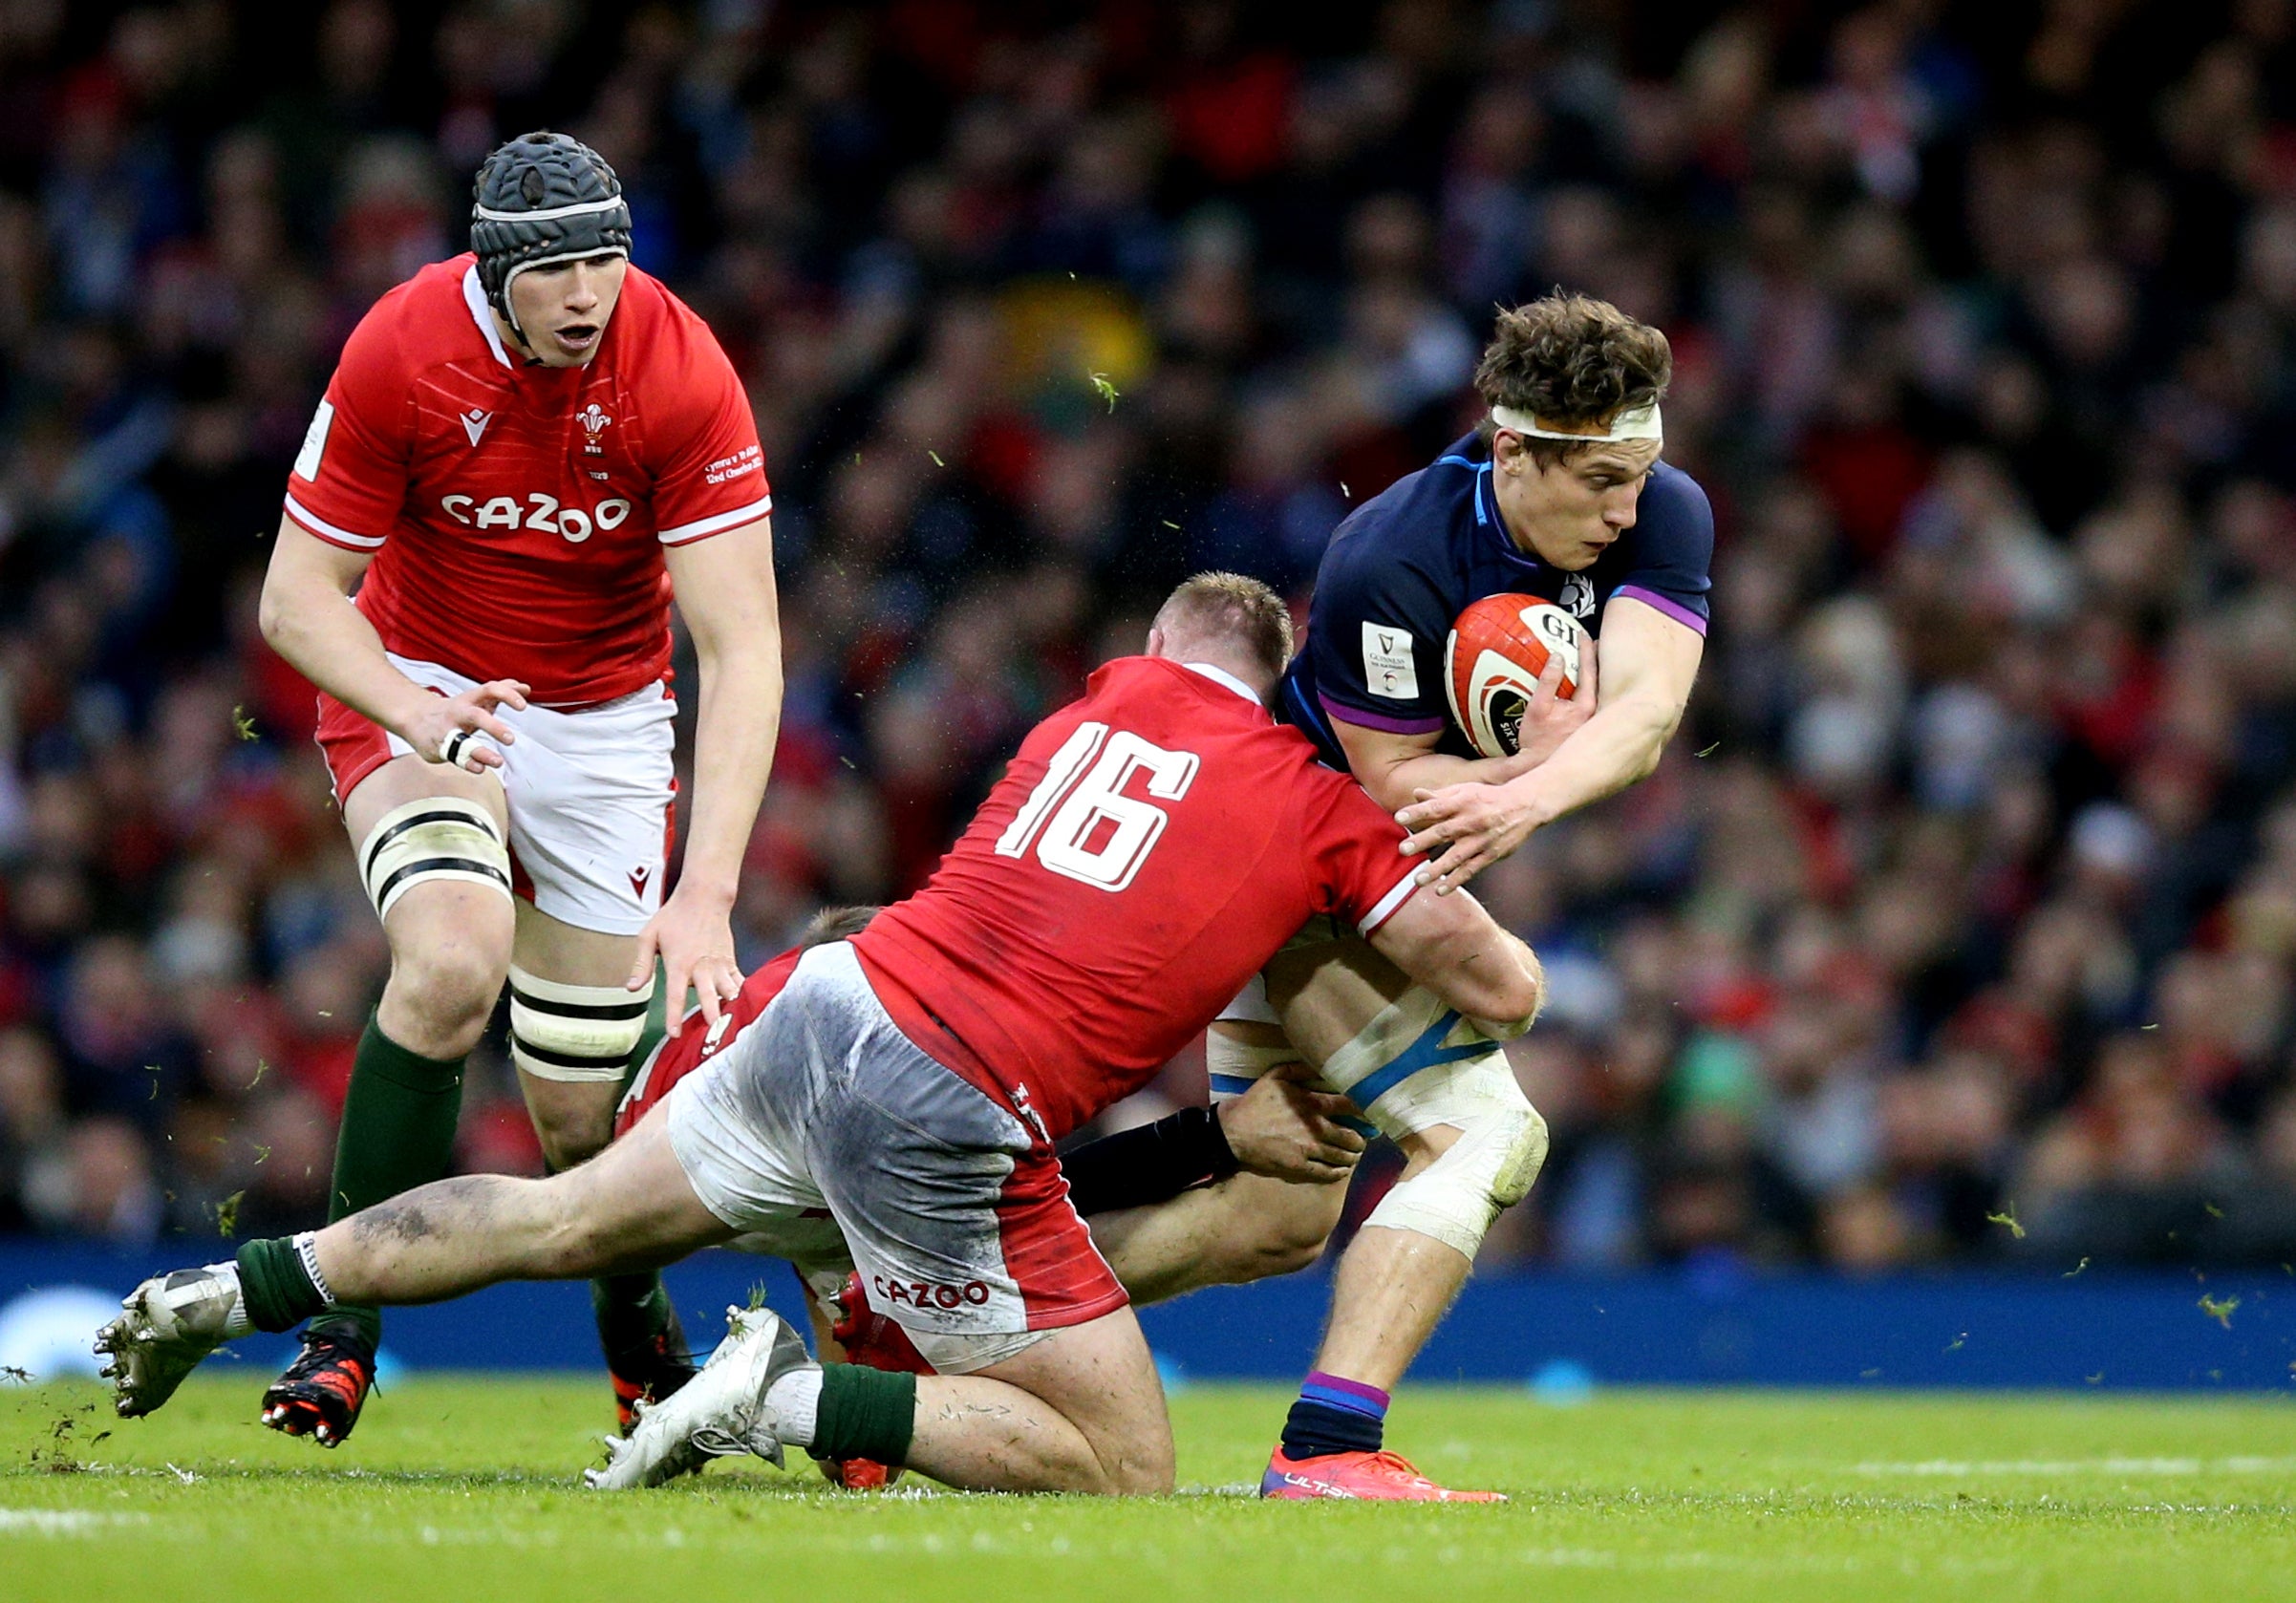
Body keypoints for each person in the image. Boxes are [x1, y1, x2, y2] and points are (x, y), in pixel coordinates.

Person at [97, 574, 1544, 1498]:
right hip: (948, 1099)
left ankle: (226, 1291)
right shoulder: (1307, 801)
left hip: (828, 998)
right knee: (1119, 1463)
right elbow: (1500, 990)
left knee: (556, 1216)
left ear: (1155, 650)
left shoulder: (1104, 696)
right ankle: (779, 1393)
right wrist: (1485, 806)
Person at [253, 131, 781, 1443]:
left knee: (577, 1109)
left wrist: (707, 890)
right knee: (448, 963)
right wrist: (412, 708)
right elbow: (293, 600)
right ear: (494, 271)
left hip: (603, 721)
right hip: (420, 679)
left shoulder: (679, 366)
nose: (587, 293)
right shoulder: (402, 346)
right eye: (554, 270)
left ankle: (631, 1325)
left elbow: (742, 644)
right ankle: (342, 1327)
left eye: (605, 258)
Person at [1160, 293, 1714, 1497]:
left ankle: (940, 1292)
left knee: (1274, 1216)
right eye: (1601, 482)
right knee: (1489, 1129)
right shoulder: (1390, 559)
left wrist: (1529, 792)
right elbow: (1394, 791)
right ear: (1514, 448)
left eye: (1640, 475)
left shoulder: (1661, 506)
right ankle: (1327, 1452)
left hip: (1351, 867)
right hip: (1295, 858)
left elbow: (1651, 710)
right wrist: (1525, 782)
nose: (1627, 510)